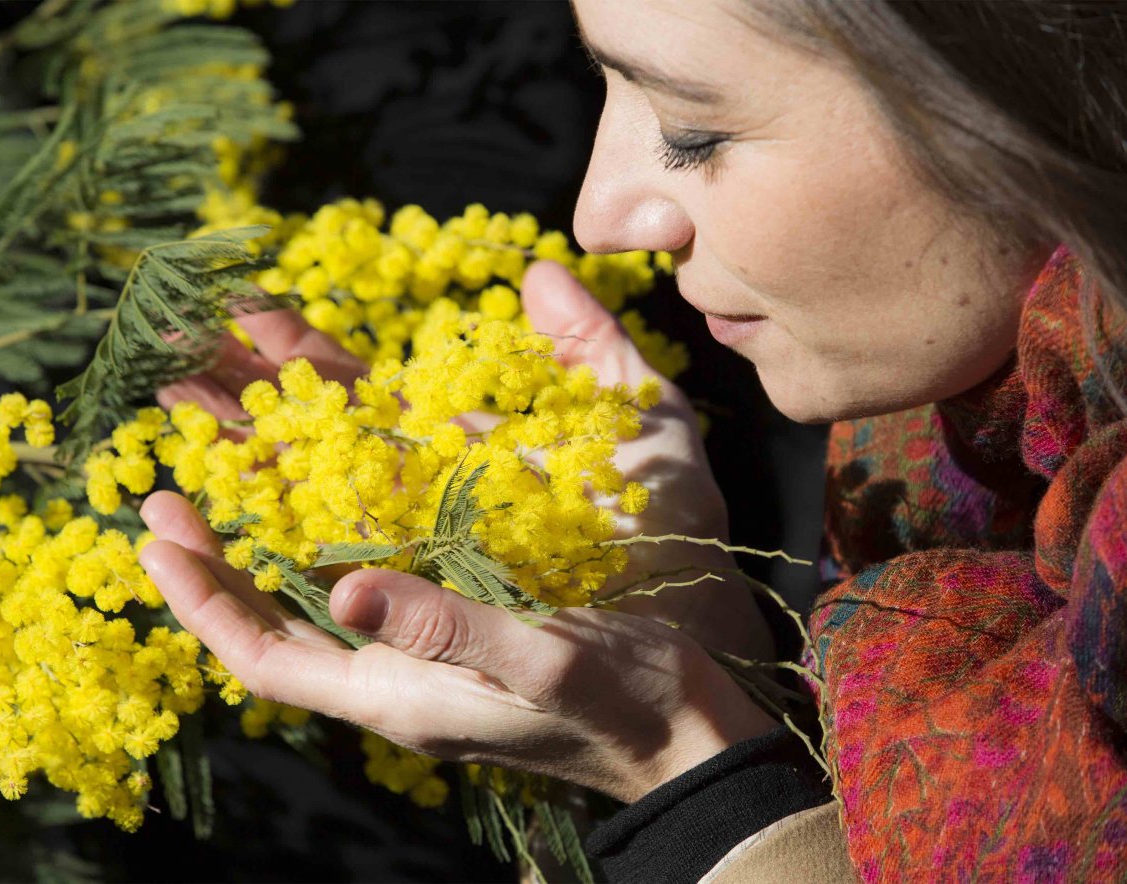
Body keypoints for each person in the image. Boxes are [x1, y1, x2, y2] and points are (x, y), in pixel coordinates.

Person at [139, 1, 1127, 880]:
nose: (599, 216)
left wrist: (681, 769)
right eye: (602, 82)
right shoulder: (969, 463)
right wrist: (704, 645)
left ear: (1024, 94)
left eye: (690, 130)